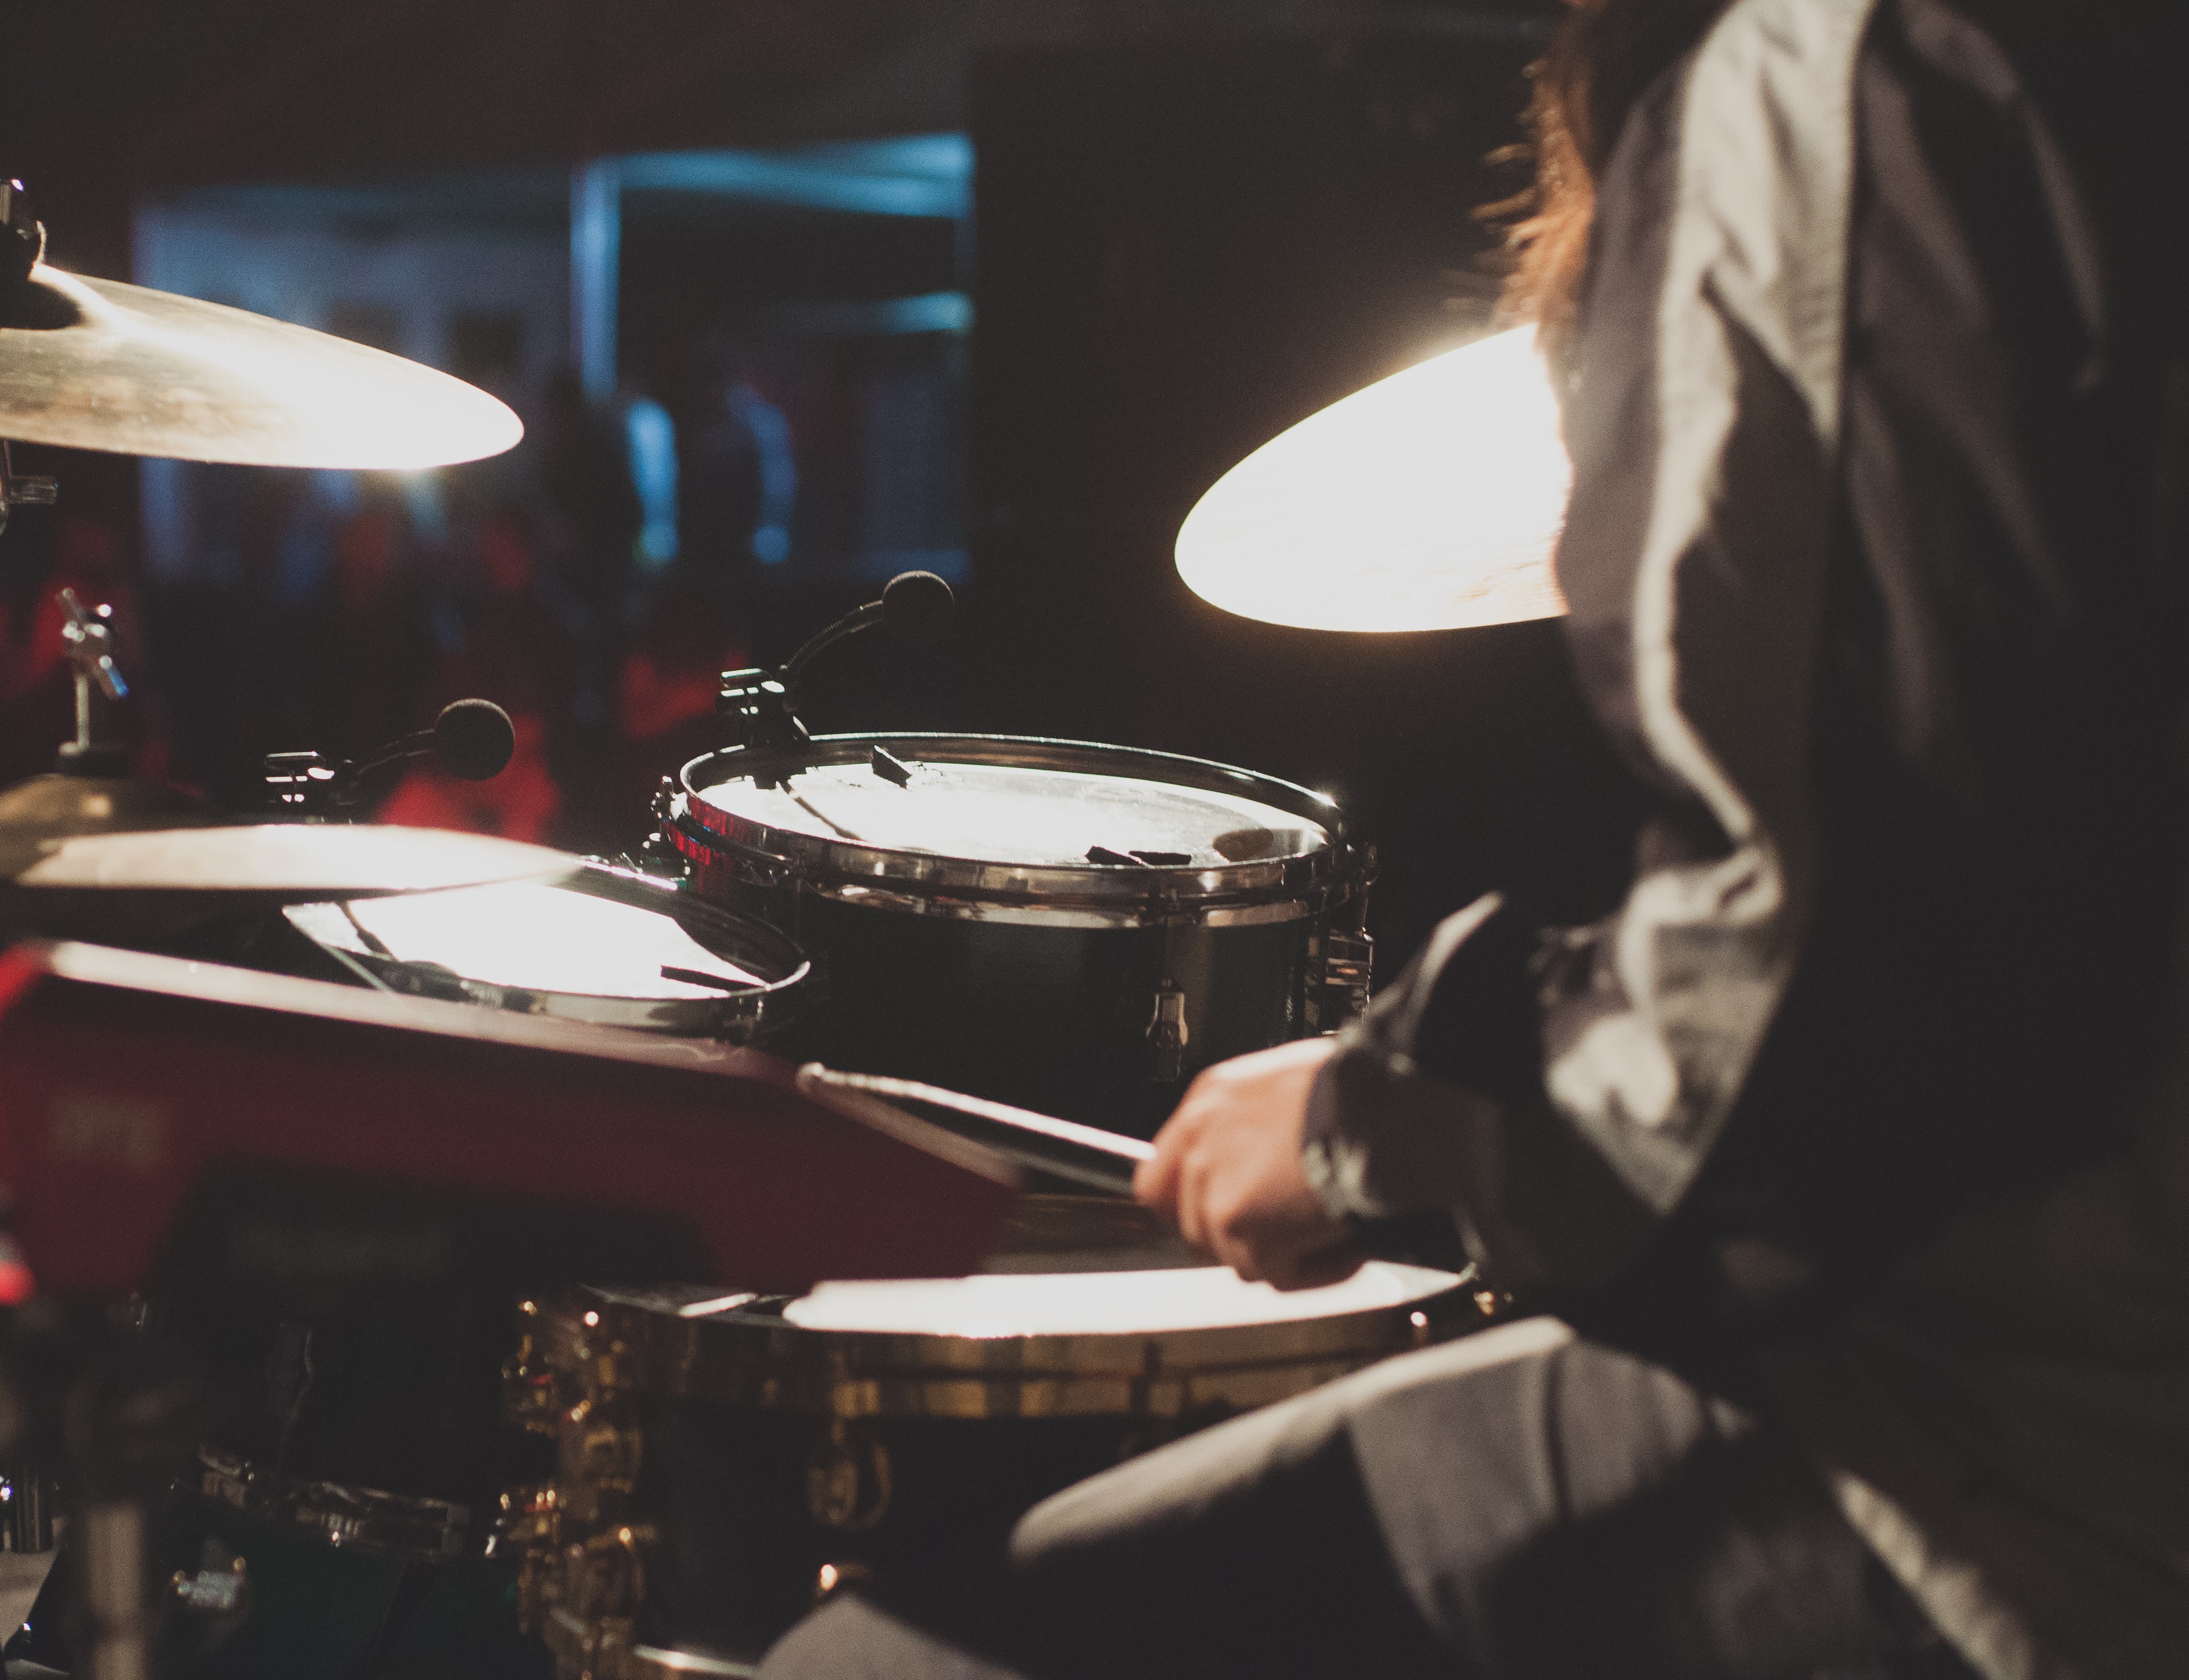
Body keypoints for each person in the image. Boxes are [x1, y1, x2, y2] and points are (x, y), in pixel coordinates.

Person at [761, 1, 2188, 1676]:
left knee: (879, 1665)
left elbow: (1821, 988)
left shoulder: (1840, 66)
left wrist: (1372, 1121)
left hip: (2033, 1479)